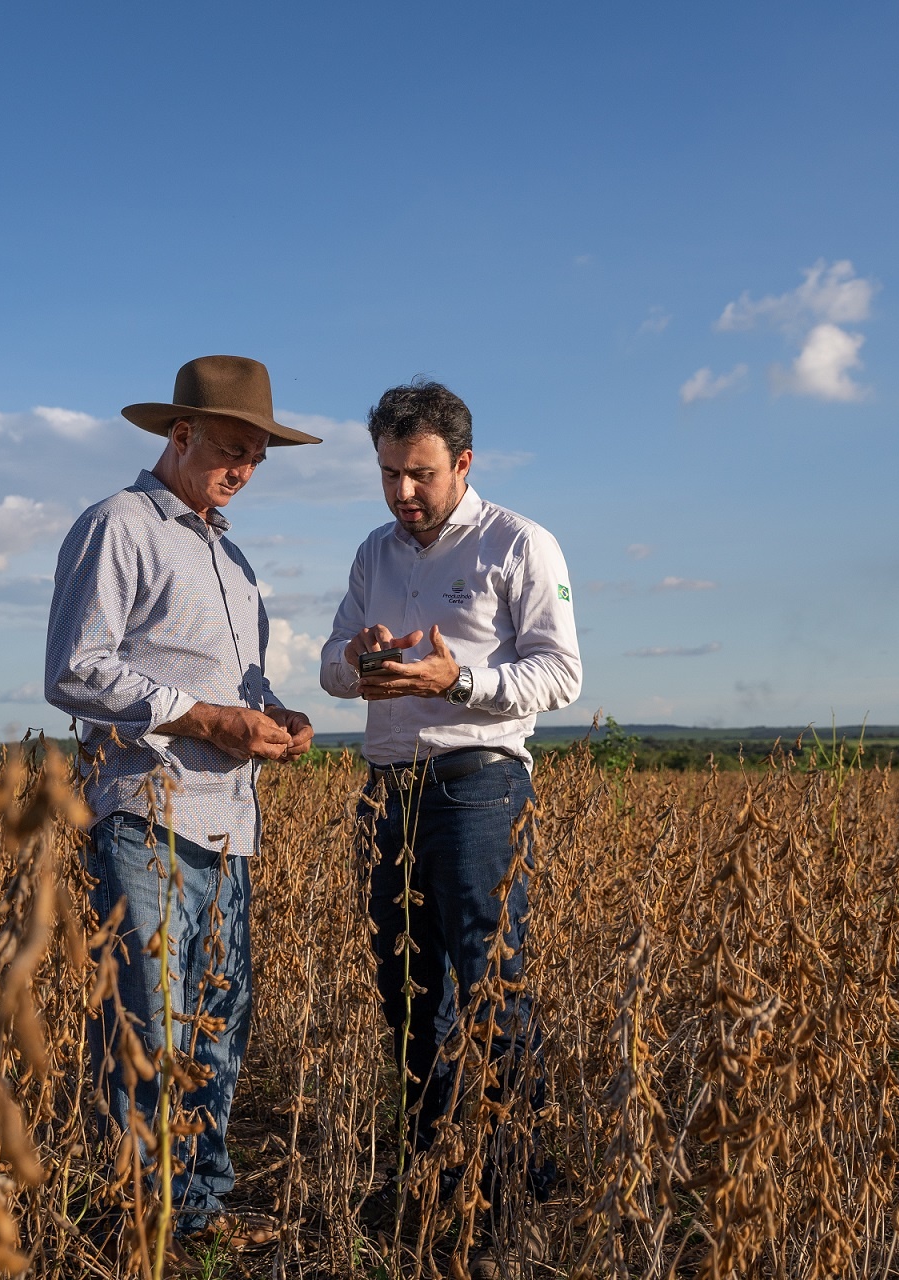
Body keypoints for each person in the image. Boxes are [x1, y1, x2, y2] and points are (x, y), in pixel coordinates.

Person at [45, 354, 318, 1249]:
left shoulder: (230, 556)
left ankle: (194, 1216)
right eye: (230, 449)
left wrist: (271, 718)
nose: (242, 469)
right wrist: (204, 717)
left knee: (217, 1033)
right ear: (180, 435)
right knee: (148, 1028)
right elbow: (75, 669)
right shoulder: (117, 526)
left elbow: (225, 685)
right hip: (143, 817)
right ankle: (134, 1225)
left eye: (256, 457)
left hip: (230, 826)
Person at [319, 379, 580, 1273]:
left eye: (419, 473)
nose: (402, 493)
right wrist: (357, 663)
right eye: (389, 473)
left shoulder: (521, 542)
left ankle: (514, 1176)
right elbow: (330, 664)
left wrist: (456, 682)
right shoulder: (371, 552)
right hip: (385, 788)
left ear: (463, 464)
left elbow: (561, 674)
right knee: (405, 984)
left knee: (488, 977)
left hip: (480, 784)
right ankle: (431, 1168)